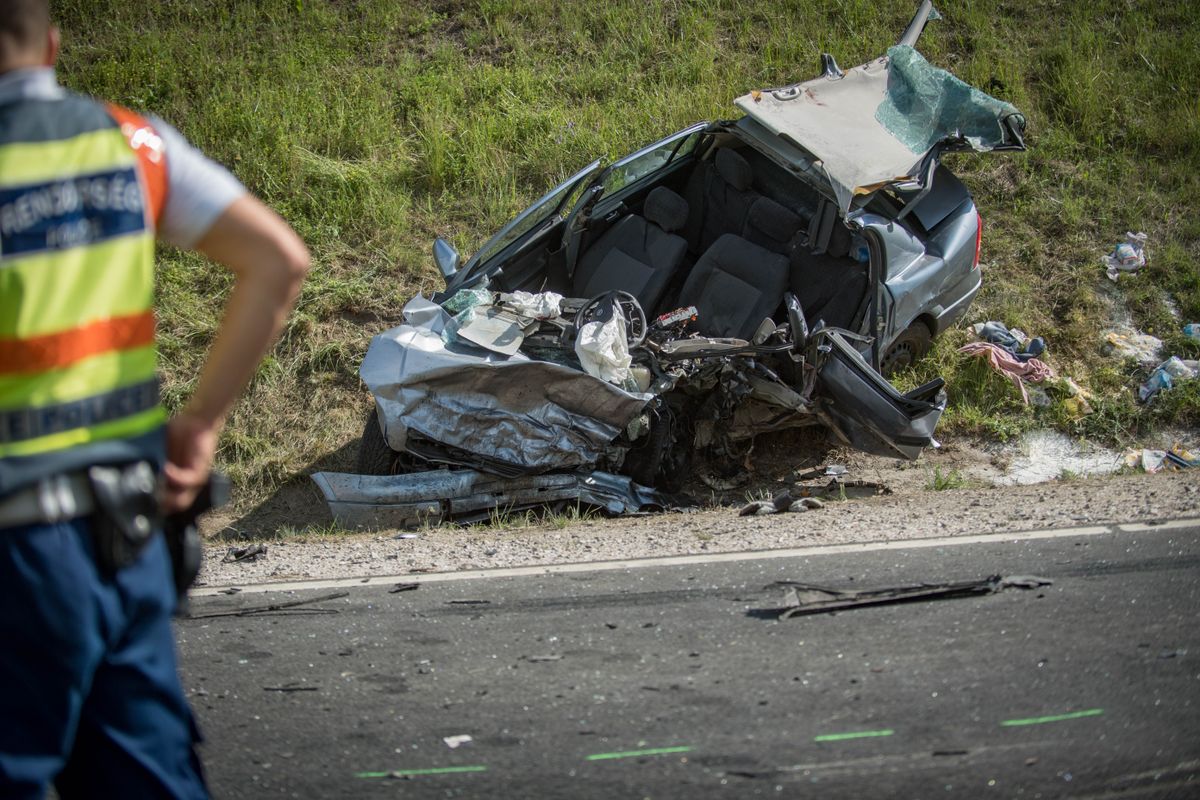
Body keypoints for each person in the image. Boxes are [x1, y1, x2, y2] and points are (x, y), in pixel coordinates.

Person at [0, 1, 310, 797]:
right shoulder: (131, 144)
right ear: (54, 45)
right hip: (126, 540)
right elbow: (278, 259)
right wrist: (200, 423)